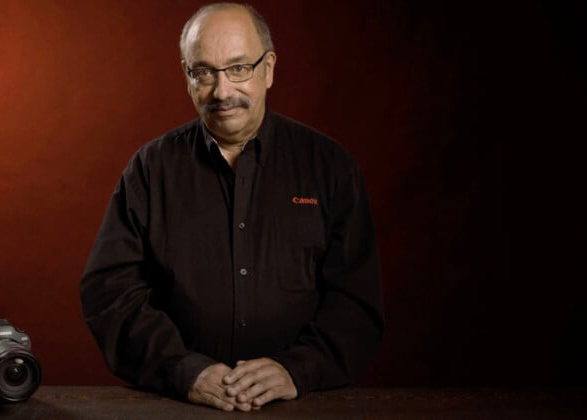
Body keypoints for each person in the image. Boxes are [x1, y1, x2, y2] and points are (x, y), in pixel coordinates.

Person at [80, 2, 384, 412]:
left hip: (302, 405)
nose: (222, 92)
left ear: (268, 69)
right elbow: (110, 292)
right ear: (187, 76)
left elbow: (357, 300)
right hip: (181, 405)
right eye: (204, 72)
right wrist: (184, 370)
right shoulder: (150, 169)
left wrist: (297, 369)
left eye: (239, 68)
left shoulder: (330, 167)